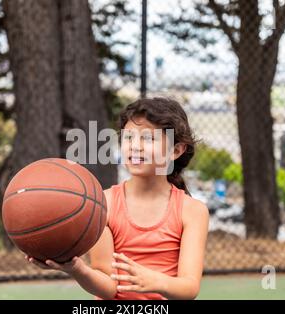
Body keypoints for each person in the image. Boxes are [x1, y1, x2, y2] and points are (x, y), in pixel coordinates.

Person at [26, 97, 209, 300]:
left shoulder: (192, 211)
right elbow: (108, 287)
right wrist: (76, 268)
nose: (135, 146)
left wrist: (157, 281)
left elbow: (189, 288)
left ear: (176, 150)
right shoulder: (103, 203)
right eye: (129, 137)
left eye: (148, 139)